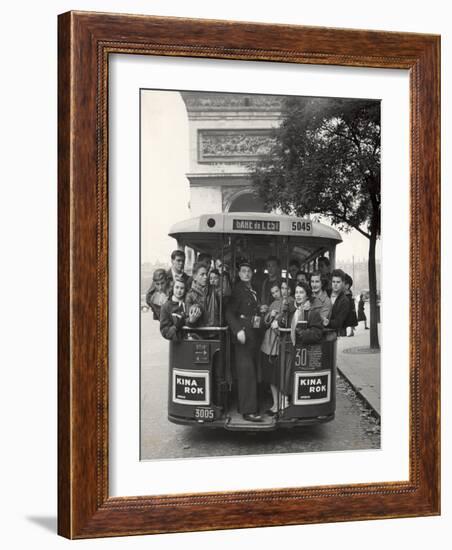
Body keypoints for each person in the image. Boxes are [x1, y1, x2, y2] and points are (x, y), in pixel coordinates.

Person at [225, 261, 265, 422]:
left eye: (249, 271)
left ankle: (248, 406)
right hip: (243, 337)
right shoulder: (238, 290)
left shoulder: (252, 289)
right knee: (246, 373)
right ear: (239, 274)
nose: (247, 274)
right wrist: (238, 330)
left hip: (252, 336)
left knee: (251, 372)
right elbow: (229, 312)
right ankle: (248, 411)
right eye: (243, 271)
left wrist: (260, 310)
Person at [260, 283, 290, 415]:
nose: (277, 294)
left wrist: (276, 323)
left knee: (276, 375)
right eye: (274, 292)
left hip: (277, 344)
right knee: (271, 375)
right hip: (269, 344)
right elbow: (266, 321)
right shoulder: (273, 304)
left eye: (279, 290)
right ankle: (276, 403)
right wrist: (270, 315)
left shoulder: (288, 302)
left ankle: (281, 401)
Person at [185, 262, 221, 328]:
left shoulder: (214, 291)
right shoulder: (190, 295)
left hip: (214, 331)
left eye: (206, 274)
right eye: (202, 274)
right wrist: (192, 320)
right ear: (195, 277)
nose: (206, 277)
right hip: (198, 334)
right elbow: (187, 320)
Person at [322, 269, 350, 335]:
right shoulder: (326, 294)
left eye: (338, 282)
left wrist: (327, 322)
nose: (335, 284)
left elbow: (339, 322)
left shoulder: (345, 300)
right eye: (333, 282)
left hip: (332, 334)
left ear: (343, 283)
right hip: (318, 332)